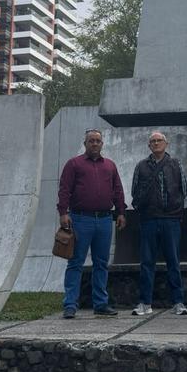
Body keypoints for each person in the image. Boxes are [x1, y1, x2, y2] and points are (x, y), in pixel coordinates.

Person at [57, 128, 127, 319]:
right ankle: (70, 305)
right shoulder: (74, 164)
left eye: (98, 140)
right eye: (91, 141)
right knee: (75, 262)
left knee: (101, 263)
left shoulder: (110, 165)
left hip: (104, 220)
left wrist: (121, 212)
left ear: (102, 144)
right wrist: (63, 212)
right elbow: (64, 189)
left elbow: (118, 190)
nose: (95, 143)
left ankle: (100, 304)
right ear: (85, 143)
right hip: (81, 219)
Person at [130, 131, 187, 315]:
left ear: (166, 143)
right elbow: (134, 190)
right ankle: (145, 303)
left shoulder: (175, 164)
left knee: (173, 262)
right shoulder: (141, 166)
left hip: (171, 220)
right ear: (149, 145)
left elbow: (184, 189)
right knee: (147, 262)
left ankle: (178, 302)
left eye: (159, 140)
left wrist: (174, 207)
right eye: (153, 141)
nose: (156, 143)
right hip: (148, 219)